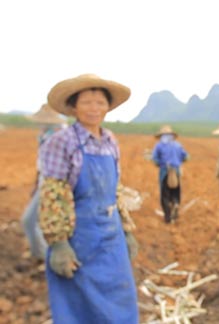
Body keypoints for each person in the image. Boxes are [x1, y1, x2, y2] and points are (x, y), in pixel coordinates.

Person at [39, 73, 139, 323]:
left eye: (100, 102)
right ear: (74, 107)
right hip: (80, 236)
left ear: (107, 107)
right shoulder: (62, 141)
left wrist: (126, 230)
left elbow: (115, 189)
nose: (94, 109)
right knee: (79, 305)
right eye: (86, 102)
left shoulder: (109, 141)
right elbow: (54, 194)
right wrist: (59, 243)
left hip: (111, 234)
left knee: (120, 296)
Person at [21, 103, 66, 261]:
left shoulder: (58, 137)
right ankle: (39, 255)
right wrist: (36, 184)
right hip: (43, 184)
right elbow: (40, 165)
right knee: (33, 221)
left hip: (51, 186)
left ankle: (47, 258)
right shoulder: (45, 135)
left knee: (35, 222)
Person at [152, 125, 189, 224]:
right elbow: (185, 156)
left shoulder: (159, 145)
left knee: (165, 195)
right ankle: (176, 205)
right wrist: (177, 161)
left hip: (165, 171)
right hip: (176, 171)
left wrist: (159, 163)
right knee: (175, 191)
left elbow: (155, 159)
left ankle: (168, 217)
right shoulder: (178, 145)